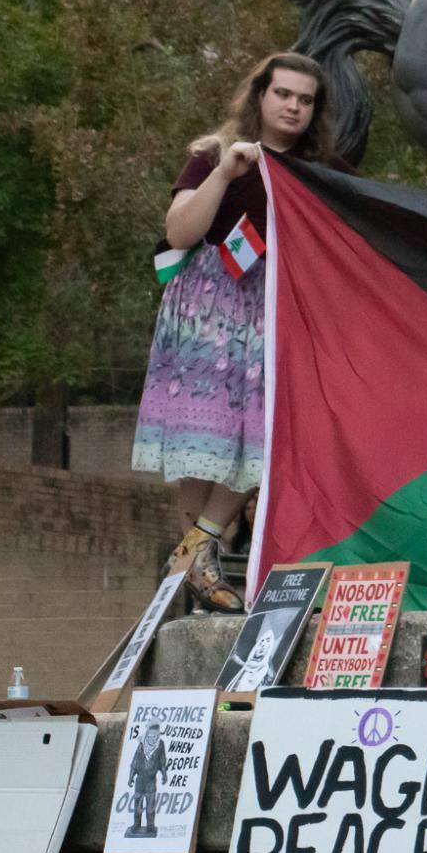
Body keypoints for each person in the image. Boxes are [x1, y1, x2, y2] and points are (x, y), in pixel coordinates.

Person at [131, 52, 349, 611]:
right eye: (284, 94)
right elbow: (180, 230)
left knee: (266, 440)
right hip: (208, 307)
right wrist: (227, 171)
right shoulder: (213, 155)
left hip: (279, 313)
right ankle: (199, 562)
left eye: (306, 100)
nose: (294, 106)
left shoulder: (327, 171)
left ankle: (194, 548)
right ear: (260, 96)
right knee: (202, 438)